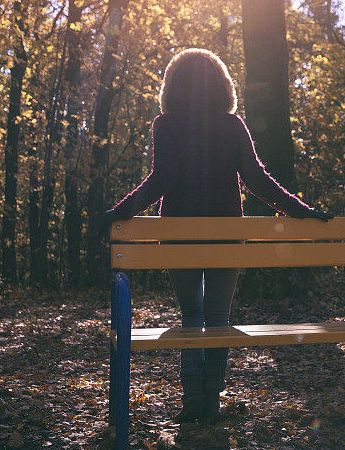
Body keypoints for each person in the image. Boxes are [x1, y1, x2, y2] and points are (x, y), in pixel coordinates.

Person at [103, 48, 332, 424]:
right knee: (219, 317)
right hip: (229, 239)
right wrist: (302, 211)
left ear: (172, 86)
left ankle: (192, 395)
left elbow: (161, 181)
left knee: (192, 315)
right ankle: (211, 399)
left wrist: (119, 211)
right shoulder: (233, 124)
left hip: (178, 238)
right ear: (221, 85)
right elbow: (257, 181)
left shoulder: (166, 124)